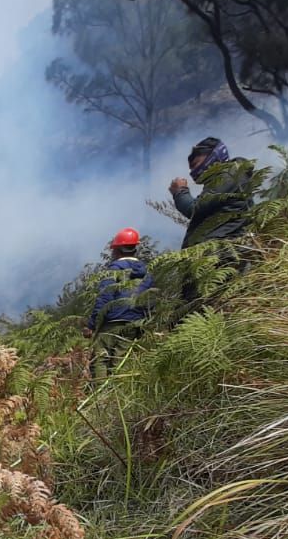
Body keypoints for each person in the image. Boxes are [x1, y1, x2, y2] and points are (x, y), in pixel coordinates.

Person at [84, 227, 153, 379]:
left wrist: (91, 325)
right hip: (135, 323)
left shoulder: (114, 270)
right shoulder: (146, 272)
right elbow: (150, 299)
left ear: (117, 250)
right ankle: (117, 393)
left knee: (100, 359)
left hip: (112, 322)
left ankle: (100, 396)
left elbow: (104, 298)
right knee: (121, 362)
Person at [169, 137, 254, 249]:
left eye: (195, 164)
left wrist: (180, 191)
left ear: (213, 156)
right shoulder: (228, 176)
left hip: (222, 251)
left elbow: (193, 210)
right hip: (222, 248)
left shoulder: (228, 176)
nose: (192, 172)